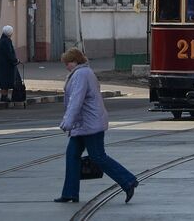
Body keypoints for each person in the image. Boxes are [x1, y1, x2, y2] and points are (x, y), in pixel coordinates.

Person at [54, 48, 139, 204]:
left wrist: (67, 122)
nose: (66, 66)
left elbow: (76, 101)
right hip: (82, 125)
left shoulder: (81, 74)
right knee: (72, 156)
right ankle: (70, 193)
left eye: (67, 63)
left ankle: (128, 181)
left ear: (75, 62)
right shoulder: (82, 73)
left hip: (90, 124)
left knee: (98, 156)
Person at [0, 25, 19, 102]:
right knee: (6, 81)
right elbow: (9, 53)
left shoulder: (2, 40)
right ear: (10, 33)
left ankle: (4, 96)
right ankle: (4, 96)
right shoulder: (6, 41)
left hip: (3, 64)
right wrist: (15, 60)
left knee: (4, 82)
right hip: (7, 65)